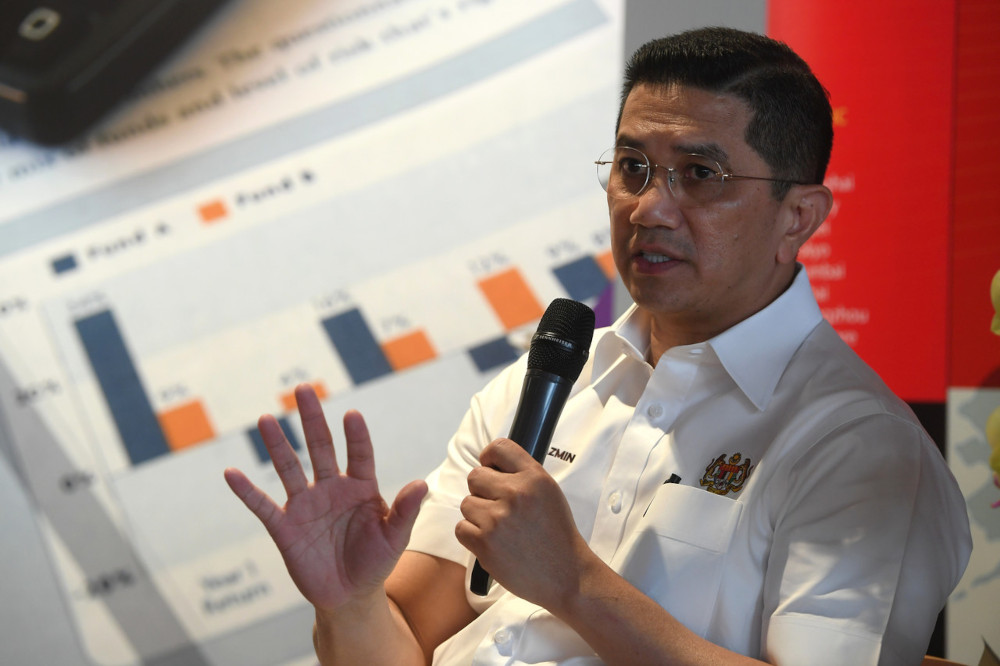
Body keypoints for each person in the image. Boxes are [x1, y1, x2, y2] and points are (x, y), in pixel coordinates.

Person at [224, 26, 972, 665]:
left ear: (798, 217)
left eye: (700, 174)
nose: (649, 207)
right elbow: (405, 643)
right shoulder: (549, 379)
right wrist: (350, 602)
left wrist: (577, 584)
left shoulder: (859, 445)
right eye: (632, 167)